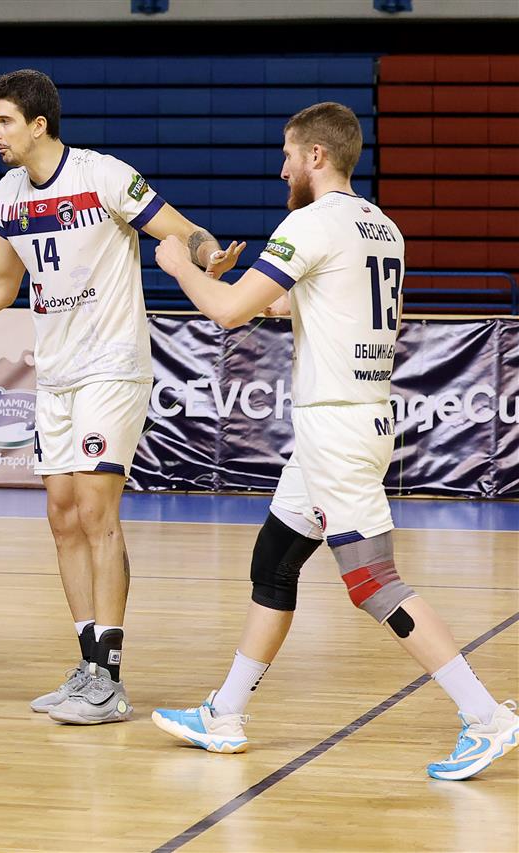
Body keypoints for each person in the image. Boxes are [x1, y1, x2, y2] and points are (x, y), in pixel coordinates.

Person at [150, 102, 519, 780]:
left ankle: (486, 716)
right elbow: (290, 303)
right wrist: (233, 278)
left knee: (374, 582)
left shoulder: (310, 222)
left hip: (336, 428)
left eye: (288, 155)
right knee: (274, 561)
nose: (282, 169)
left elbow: (228, 315)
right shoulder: (382, 226)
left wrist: (181, 265)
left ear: (316, 156)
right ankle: (224, 713)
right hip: (355, 419)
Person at [0, 69, 240, 725]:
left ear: (38, 124)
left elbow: (182, 230)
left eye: (3, 121)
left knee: (96, 511)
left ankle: (112, 679)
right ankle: (88, 665)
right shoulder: (9, 193)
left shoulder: (103, 176)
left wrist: (208, 257)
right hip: (57, 373)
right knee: (63, 515)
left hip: (111, 366)